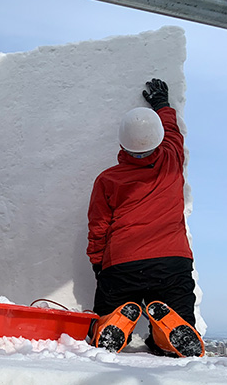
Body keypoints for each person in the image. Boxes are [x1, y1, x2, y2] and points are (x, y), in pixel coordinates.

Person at [86, 78, 204, 357]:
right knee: (178, 319)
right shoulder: (172, 160)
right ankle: (169, 333)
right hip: (171, 262)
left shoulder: (107, 180)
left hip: (122, 263)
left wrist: (97, 263)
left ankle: (114, 320)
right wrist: (162, 103)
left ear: (121, 143)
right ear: (160, 138)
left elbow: (98, 226)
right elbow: (173, 131)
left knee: (107, 313)